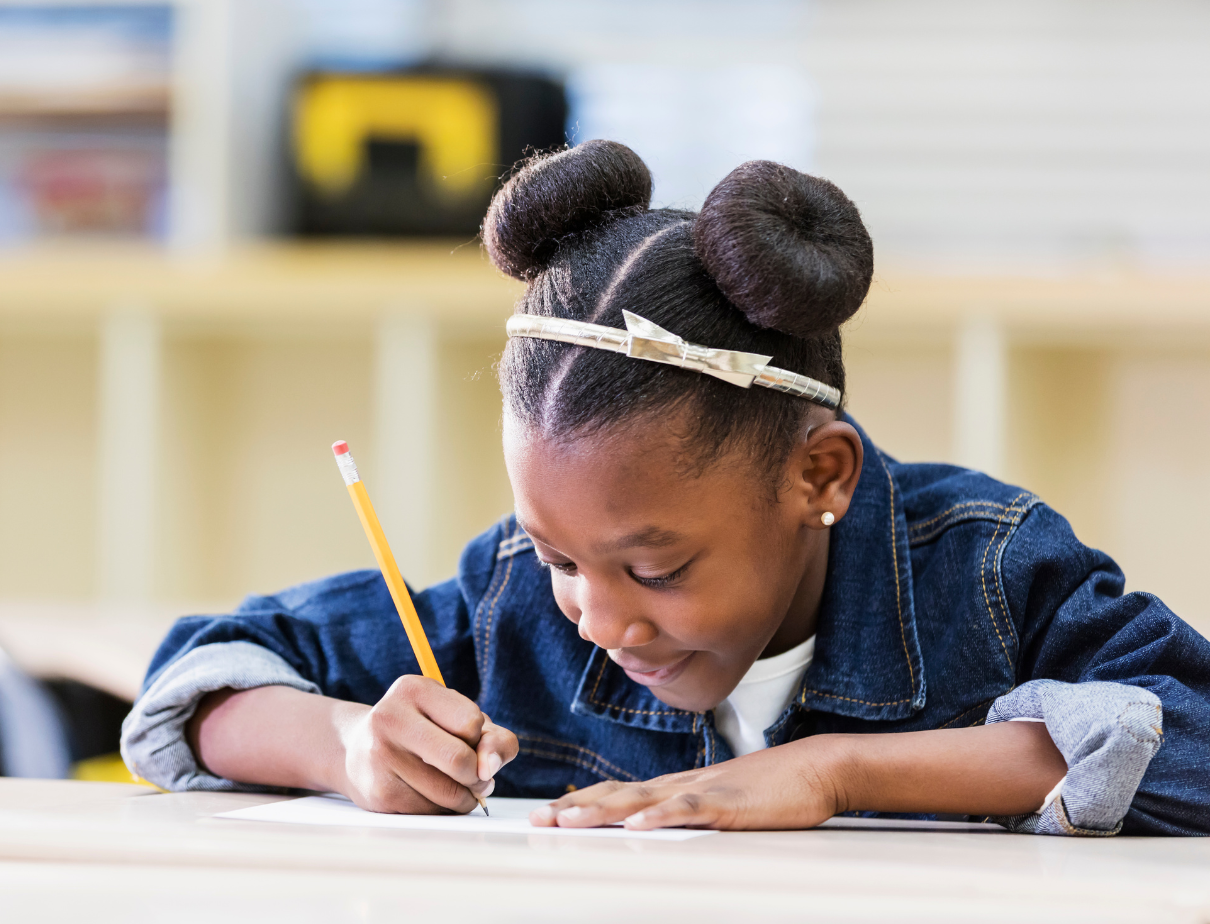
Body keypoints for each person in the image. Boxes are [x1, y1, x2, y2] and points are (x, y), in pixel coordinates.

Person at [121, 141, 1210, 836]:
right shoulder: (511, 606)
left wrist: (836, 771)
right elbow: (199, 680)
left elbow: (1191, 739)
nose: (596, 618)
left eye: (655, 567)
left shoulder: (982, 571)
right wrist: (344, 747)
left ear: (816, 474)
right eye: (559, 558)